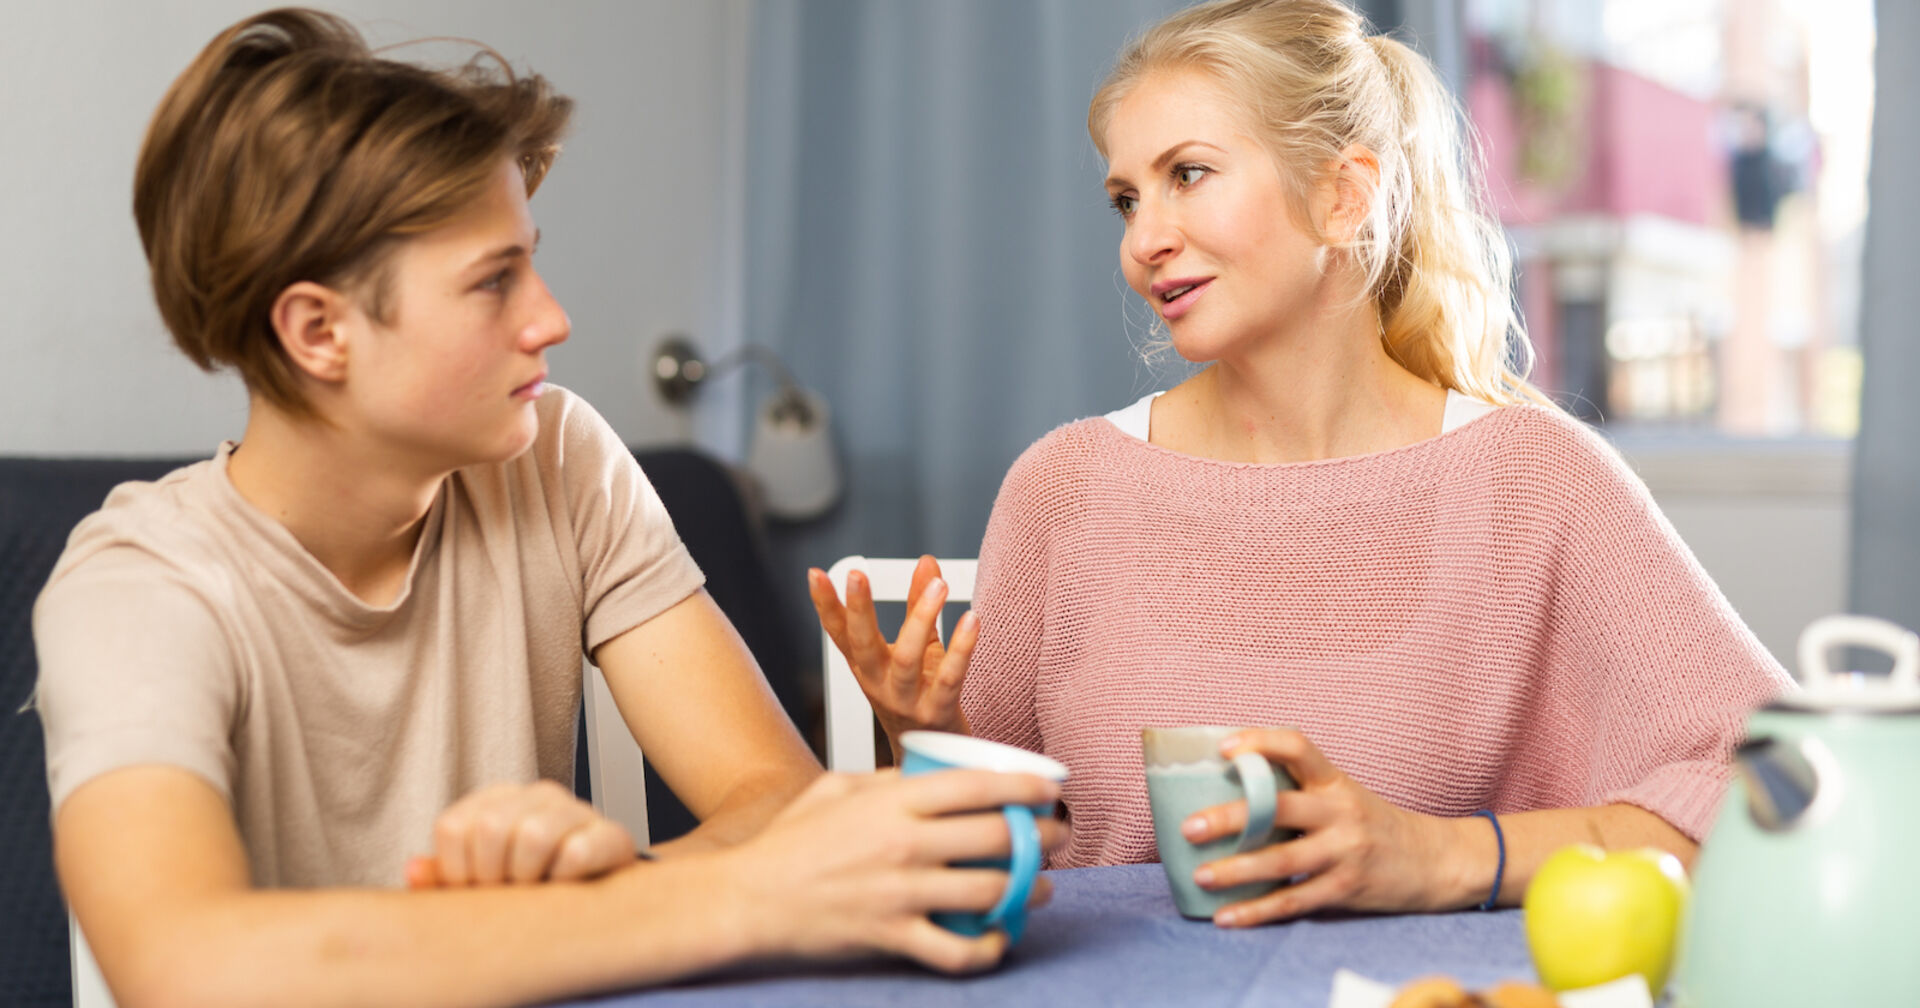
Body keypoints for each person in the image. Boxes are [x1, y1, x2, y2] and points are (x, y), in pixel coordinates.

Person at [35, 10, 1061, 1006]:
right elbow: (185, 968)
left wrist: (584, 893)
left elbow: (772, 800)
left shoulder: (559, 458)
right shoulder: (136, 588)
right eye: (494, 281)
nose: (553, 319)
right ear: (318, 333)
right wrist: (729, 898)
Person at [812, 0, 1789, 929]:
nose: (1143, 241)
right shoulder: (1062, 490)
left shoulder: (1536, 481)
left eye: (1187, 175)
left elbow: (1783, 782)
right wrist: (925, 740)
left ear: (1342, 197)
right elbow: (988, 870)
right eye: (1125, 198)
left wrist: (1444, 856)